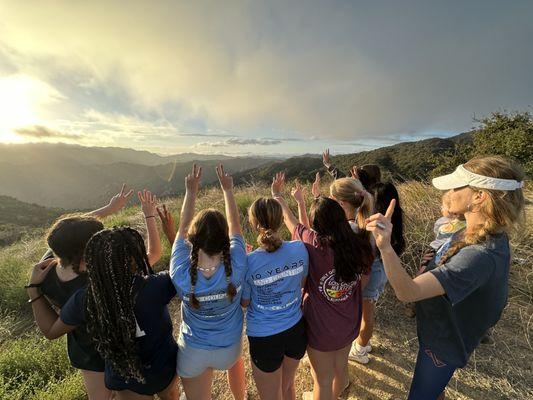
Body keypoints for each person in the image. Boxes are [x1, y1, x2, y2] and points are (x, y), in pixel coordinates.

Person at [365, 156, 525, 399]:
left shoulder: (479, 255)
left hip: (443, 344)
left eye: (456, 187)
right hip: (439, 330)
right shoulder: (479, 231)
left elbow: (408, 292)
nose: (449, 192)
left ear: (479, 197)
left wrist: (385, 247)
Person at [28, 185, 161, 399]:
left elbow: (66, 233)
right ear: (88, 249)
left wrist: (32, 288)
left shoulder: (47, 268)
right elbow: (152, 254)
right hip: (119, 346)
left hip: (85, 352)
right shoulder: (104, 277)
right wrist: (149, 215)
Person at [272, 172, 373, 400]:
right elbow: (362, 283)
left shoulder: (313, 244)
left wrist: (277, 195)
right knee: (340, 370)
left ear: (317, 226)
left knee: (322, 380)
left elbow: (292, 223)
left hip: (321, 326)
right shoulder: (362, 241)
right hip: (348, 322)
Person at [320, 150, 406, 364]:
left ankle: (360, 350)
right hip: (379, 267)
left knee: (366, 314)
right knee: (365, 311)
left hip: (374, 270)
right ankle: (363, 344)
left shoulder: (368, 215)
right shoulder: (373, 200)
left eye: (358, 175)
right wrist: (331, 167)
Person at [170, 164, 247, 400]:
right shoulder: (237, 264)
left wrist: (191, 192)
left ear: (193, 239)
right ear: (225, 239)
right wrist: (228, 190)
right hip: (229, 351)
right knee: (237, 362)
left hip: (193, 353)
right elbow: (235, 226)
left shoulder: (180, 272)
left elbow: (181, 229)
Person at [241, 194, 309, 400]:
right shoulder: (299, 248)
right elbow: (302, 283)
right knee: (287, 386)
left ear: (254, 224)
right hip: (296, 330)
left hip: (265, 337)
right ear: (281, 221)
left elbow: (245, 302)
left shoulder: (249, 262)